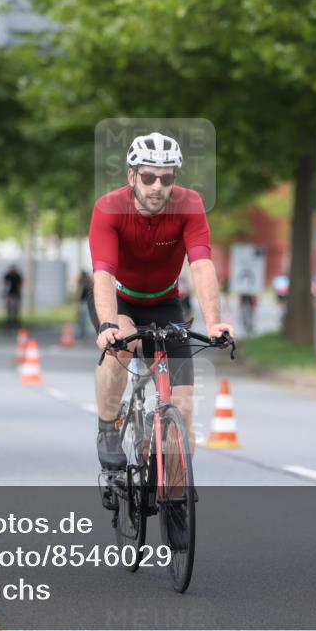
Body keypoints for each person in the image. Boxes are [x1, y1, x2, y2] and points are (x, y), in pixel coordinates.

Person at [88, 131, 234, 471]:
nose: (157, 186)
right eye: (148, 176)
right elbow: (104, 274)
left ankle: (176, 506)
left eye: (165, 177)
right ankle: (108, 428)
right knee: (121, 342)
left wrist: (214, 323)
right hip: (119, 300)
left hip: (165, 303)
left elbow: (201, 264)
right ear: (132, 175)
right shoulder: (109, 208)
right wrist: (108, 324)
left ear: (174, 180)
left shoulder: (190, 205)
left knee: (182, 410)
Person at [2, 265, 23, 329]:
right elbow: (5, 284)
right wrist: (4, 292)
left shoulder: (18, 276)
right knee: (9, 307)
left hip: (16, 293)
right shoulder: (8, 276)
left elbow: (20, 284)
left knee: (16, 308)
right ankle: (9, 320)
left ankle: (15, 320)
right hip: (10, 293)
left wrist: (19, 291)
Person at [76, 270, 93, 339]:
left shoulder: (83, 283)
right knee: (84, 319)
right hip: (86, 302)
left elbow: (79, 294)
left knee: (83, 319)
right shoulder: (87, 283)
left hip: (84, 302)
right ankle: (84, 332)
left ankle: (83, 332)